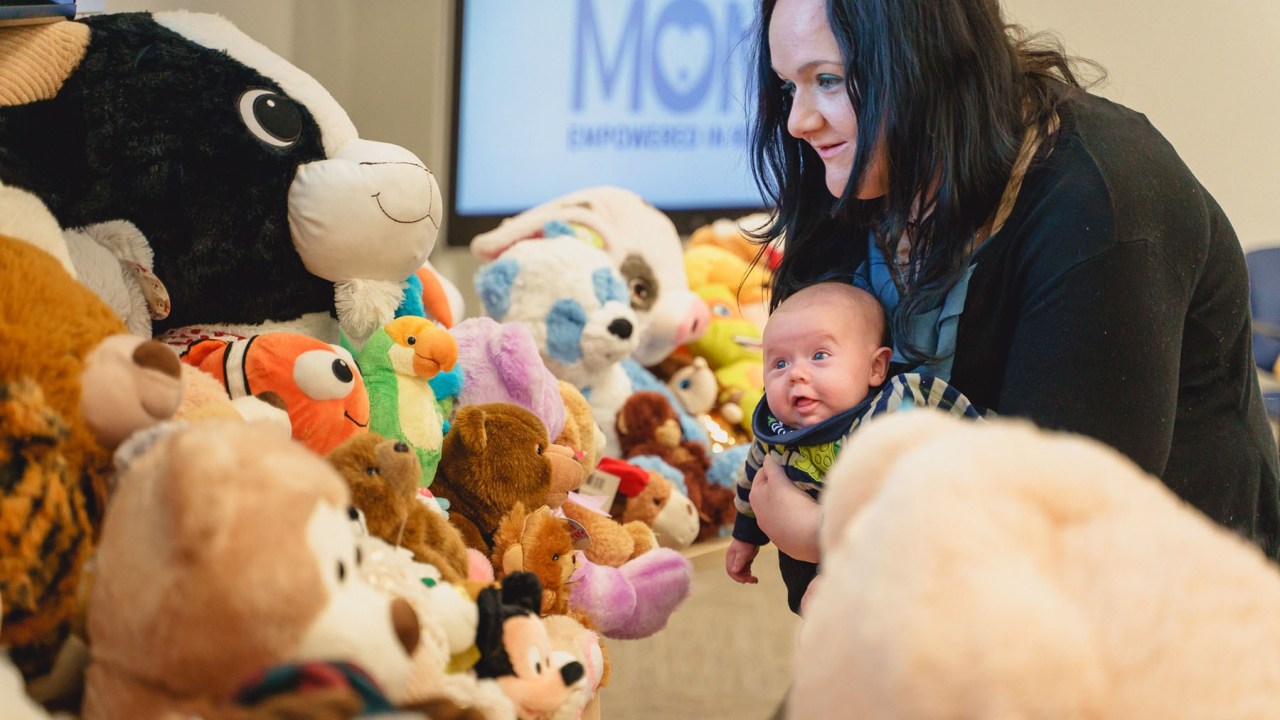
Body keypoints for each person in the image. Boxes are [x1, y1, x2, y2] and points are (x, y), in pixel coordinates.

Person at [746, 0, 1280, 572]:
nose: (798, 121)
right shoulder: (859, 174)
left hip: (1168, 609)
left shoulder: (1102, 199)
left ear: (926, 60)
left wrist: (832, 541)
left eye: (828, 81)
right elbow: (801, 440)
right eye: (787, 88)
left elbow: (1065, 523)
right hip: (951, 598)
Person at [724, 281, 983, 613]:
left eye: (819, 356)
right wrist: (746, 535)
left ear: (875, 368)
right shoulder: (778, 432)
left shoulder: (893, 407)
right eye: (779, 364)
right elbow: (752, 481)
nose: (796, 375)